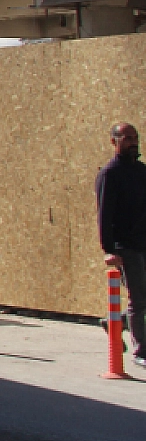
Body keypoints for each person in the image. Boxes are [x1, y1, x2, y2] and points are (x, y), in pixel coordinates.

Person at [96, 121, 146, 367]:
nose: (132, 142)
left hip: (143, 242)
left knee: (143, 298)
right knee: (138, 298)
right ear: (114, 142)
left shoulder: (141, 171)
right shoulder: (110, 174)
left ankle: (114, 321)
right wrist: (109, 250)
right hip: (125, 246)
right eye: (126, 138)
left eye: (134, 137)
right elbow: (104, 215)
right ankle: (141, 351)